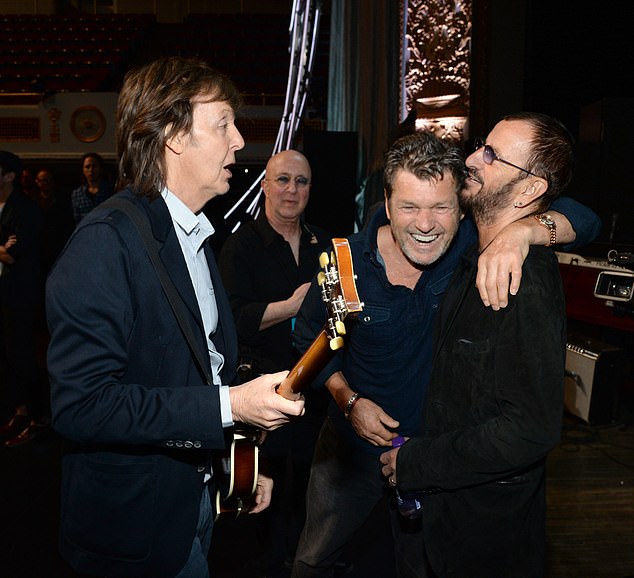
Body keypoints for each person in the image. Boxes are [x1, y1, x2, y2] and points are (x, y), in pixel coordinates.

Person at [291, 130, 602, 578]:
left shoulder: (470, 246)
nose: (425, 224)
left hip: (435, 461)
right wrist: (348, 400)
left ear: (462, 204)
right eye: (409, 207)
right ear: (386, 201)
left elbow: (584, 219)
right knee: (314, 559)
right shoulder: (347, 262)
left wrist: (525, 231)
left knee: (419, 565)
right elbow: (311, 342)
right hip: (350, 450)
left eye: (440, 207)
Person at [46, 56, 305, 578]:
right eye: (223, 124)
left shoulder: (196, 236)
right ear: (173, 135)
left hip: (195, 508)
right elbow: (82, 406)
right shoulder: (106, 242)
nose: (238, 142)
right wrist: (232, 406)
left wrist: (239, 463)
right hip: (132, 537)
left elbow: (197, 372)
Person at [380, 112, 577, 577]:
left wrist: (417, 462)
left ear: (530, 191)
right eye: (479, 146)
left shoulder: (524, 281)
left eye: (491, 155)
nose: (472, 159)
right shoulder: (473, 254)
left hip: (486, 539)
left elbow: (531, 429)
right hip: (444, 526)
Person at [218, 149, 331, 577]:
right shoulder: (241, 244)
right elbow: (232, 321)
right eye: (282, 180)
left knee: (310, 488)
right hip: (262, 391)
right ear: (265, 185)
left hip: (318, 392)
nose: (291, 190)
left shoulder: (324, 242)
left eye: (301, 182)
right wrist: (290, 306)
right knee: (262, 497)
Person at [0, 151, 47, 447]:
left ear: (9, 176)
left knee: (25, 358)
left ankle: (39, 419)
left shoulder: (25, 209)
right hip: (4, 296)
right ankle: (20, 410)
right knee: (7, 358)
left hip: (21, 298)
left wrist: (6, 250)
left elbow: (13, 256)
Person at [70, 151, 114, 224]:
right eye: (87, 167)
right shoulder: (77, 194)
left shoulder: (110, 190)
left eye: (94, 166)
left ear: (101, 169)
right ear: (83, 170)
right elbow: (77, 219)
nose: (91, 170)